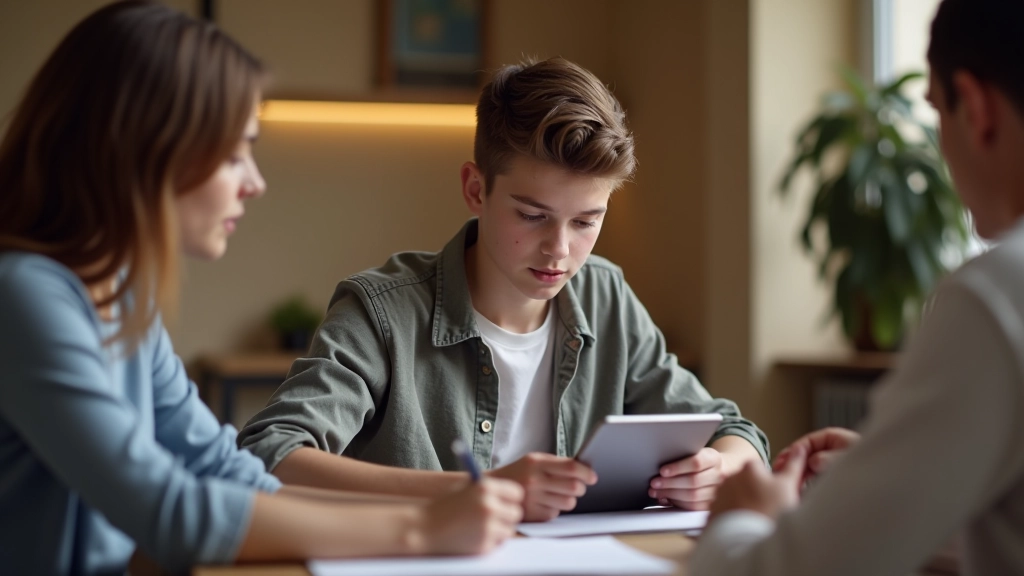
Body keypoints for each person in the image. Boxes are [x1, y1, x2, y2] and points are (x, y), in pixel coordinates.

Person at [0, 2, 522, 574]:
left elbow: (224, 469)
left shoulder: (123, 299)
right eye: (233, 153)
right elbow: (170, 511)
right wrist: (423, 529)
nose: (254, 182)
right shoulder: (24, 297)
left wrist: (445, 505)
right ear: (144, 152)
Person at [238, 57, 770, 522]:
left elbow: (735, 429)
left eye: (586, 221)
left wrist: (718, 466)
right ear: (476, 189)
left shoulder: (605, 295)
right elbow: (268, 452)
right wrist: (475, 493)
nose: (559, 250)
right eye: (533, 216)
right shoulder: (381, 311)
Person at [690, 1, 1024, 574]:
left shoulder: (998, 294)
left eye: (937, 112)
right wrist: (899, 479)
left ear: (974, 108)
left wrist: (742, 518)